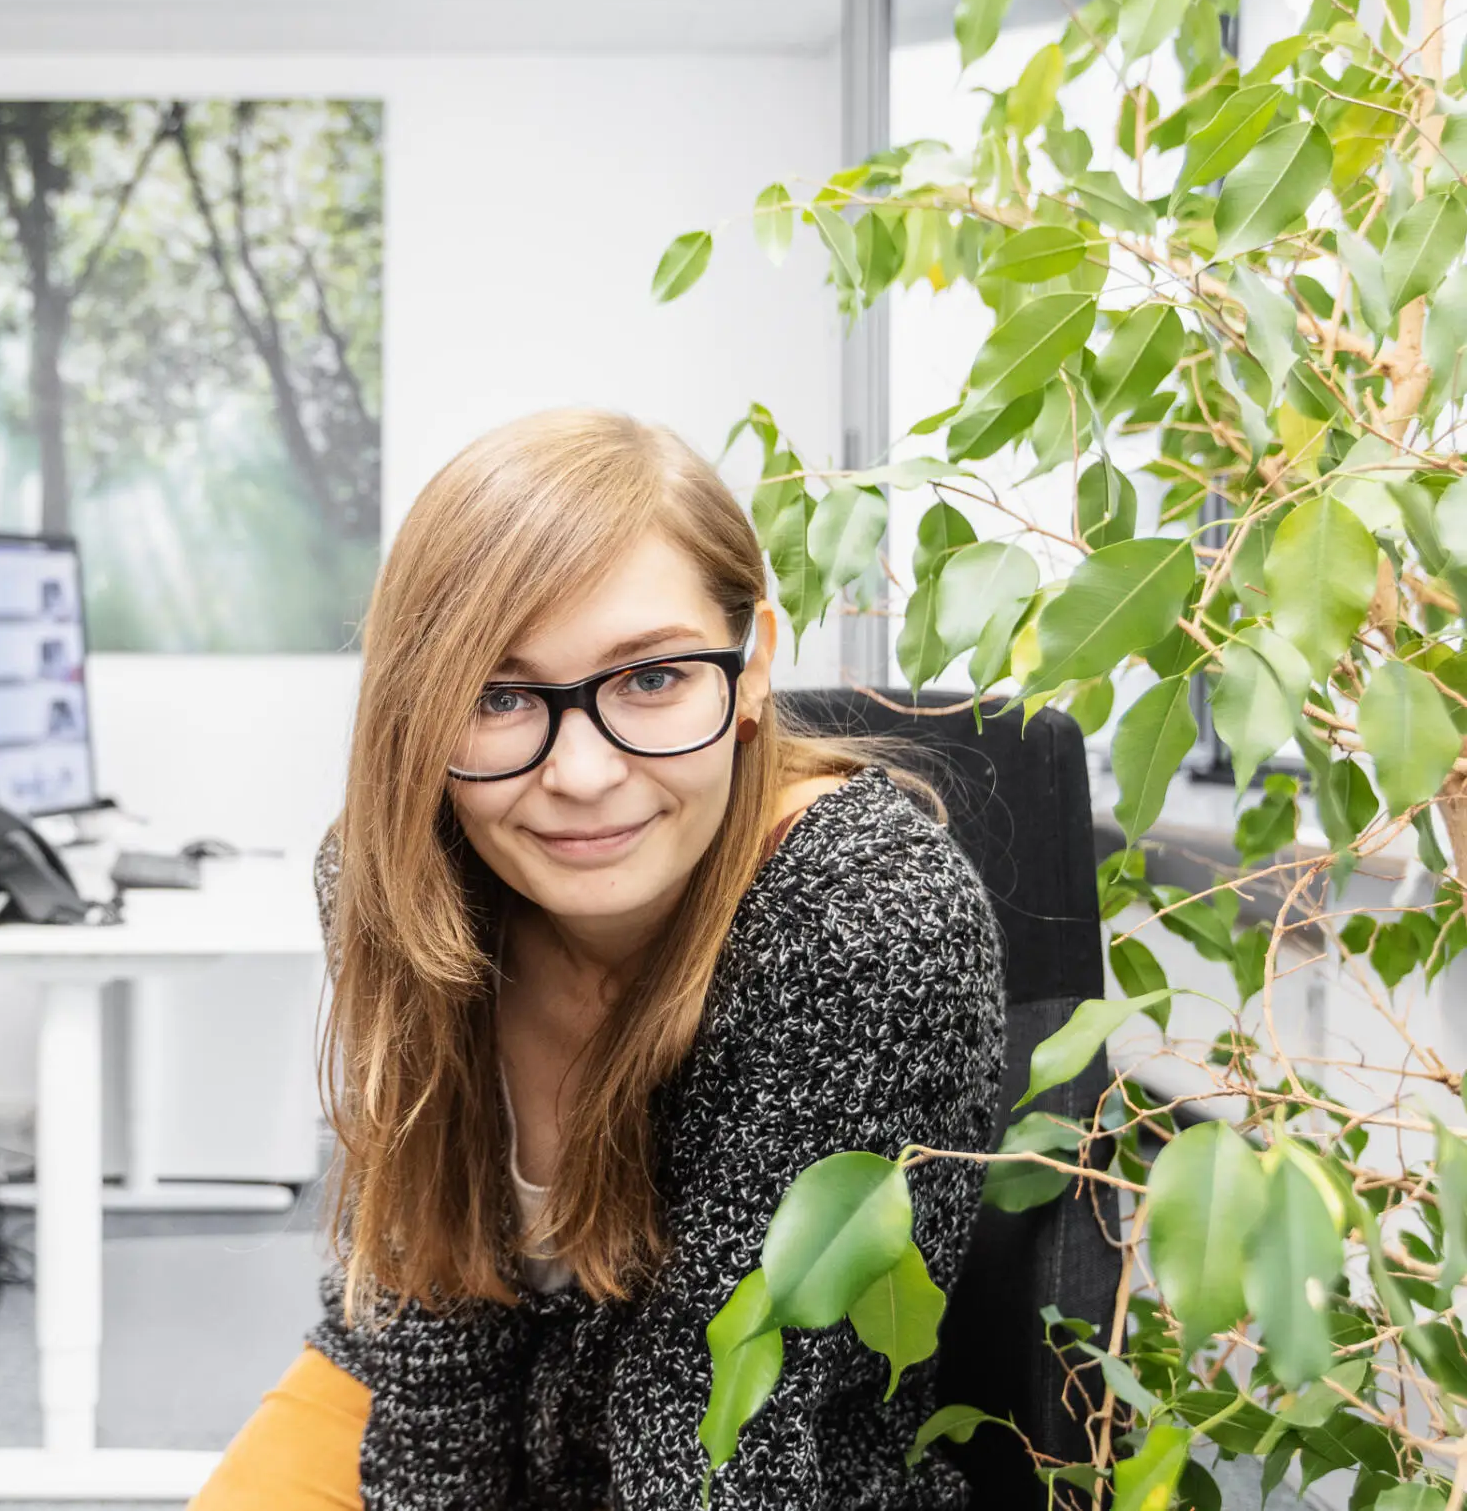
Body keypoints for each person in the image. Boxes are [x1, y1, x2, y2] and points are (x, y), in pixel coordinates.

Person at [194, 411, 1006, 1509]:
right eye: (496, 695)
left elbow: (721, 1437)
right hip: (414, 1385)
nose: (580, 773)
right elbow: (432, 1316)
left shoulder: (860, 917)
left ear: (753, 662)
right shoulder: (396, 877)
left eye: (652, 680)